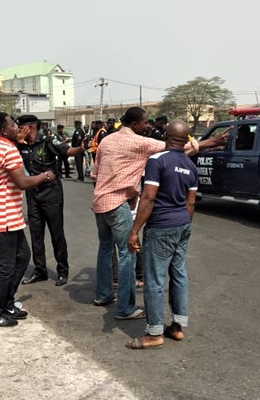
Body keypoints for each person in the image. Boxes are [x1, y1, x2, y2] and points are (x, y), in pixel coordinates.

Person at [91, 107, 225, 319]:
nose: (148, 126)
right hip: (118, 204)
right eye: (145, 123)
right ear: (135, 125)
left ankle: (104, 294)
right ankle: (126, 308)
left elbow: (94, 174)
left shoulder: (106, 140)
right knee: (128, 254)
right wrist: (209, 142)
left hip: (99, 202)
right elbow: (174, 148)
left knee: (105, 250)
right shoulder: (140, 142)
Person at [0, 112, 55, 327]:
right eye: (12, 125)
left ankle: (6, 302)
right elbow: (22, 182)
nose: (16, 128)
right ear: (3, 129)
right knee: (5, 266)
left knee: (22, 256)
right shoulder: (8, 149)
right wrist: (45, 176)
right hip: (3, 216)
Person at [125, 121, 199, 349]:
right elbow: (191, 202)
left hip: (161, 227)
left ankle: (154, 332)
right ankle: (177, 326)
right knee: (179, 274)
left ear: (166, 136)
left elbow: (148, 198)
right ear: (187, 140)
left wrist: (134, 230)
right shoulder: (190, 165)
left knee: (154, 280)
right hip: (182, 224)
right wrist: (182, 225)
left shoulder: (157, 160)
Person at [16, 115, 85, 287]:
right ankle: (40, 271)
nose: (19, 130)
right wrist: (17, 142)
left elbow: (66, 151)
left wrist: (80, 149)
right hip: (33, 194)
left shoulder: (47, 141)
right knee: (36, 234)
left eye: (22, 127)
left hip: (50, 192)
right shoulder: (19, 145)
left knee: (56, 233)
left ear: (31, 127)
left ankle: (63, 270)